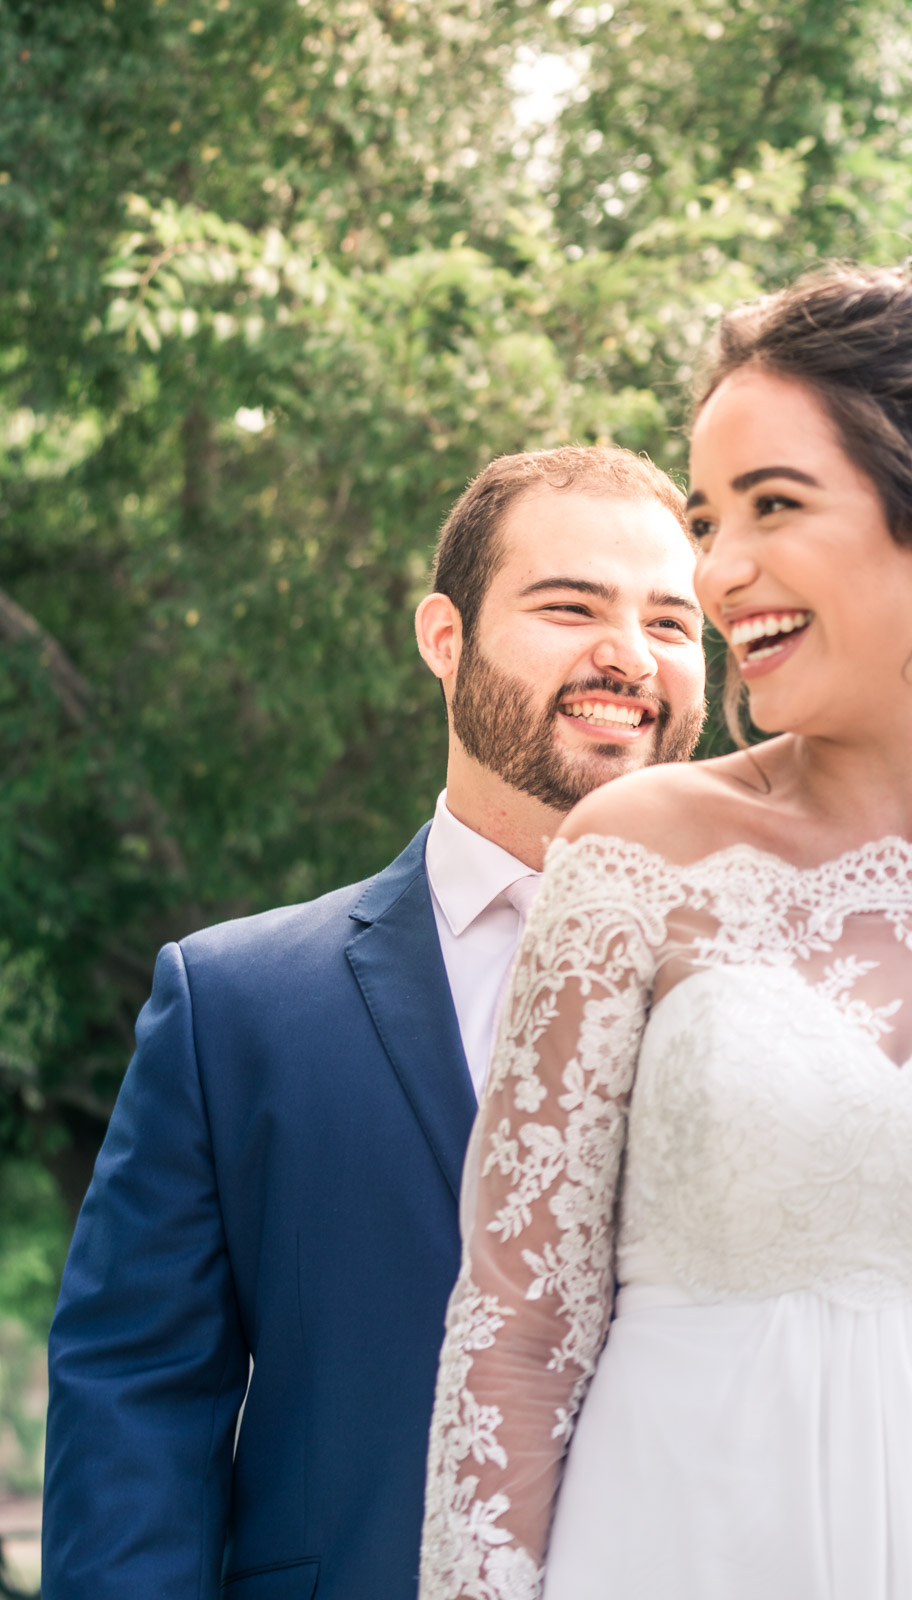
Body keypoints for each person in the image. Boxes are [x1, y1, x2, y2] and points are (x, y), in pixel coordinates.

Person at [418, 267, 912, 1600]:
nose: (716, 575)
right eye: (708, 520)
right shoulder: (635, 854)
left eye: (772, 506)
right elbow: (519, 1334)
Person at [42, 444, 707, 1600]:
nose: (628, 654)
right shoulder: (233, 1004)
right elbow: (136, 1401)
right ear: (442, 638)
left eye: (670, 621)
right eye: (569, 605)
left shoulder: (784, 990)